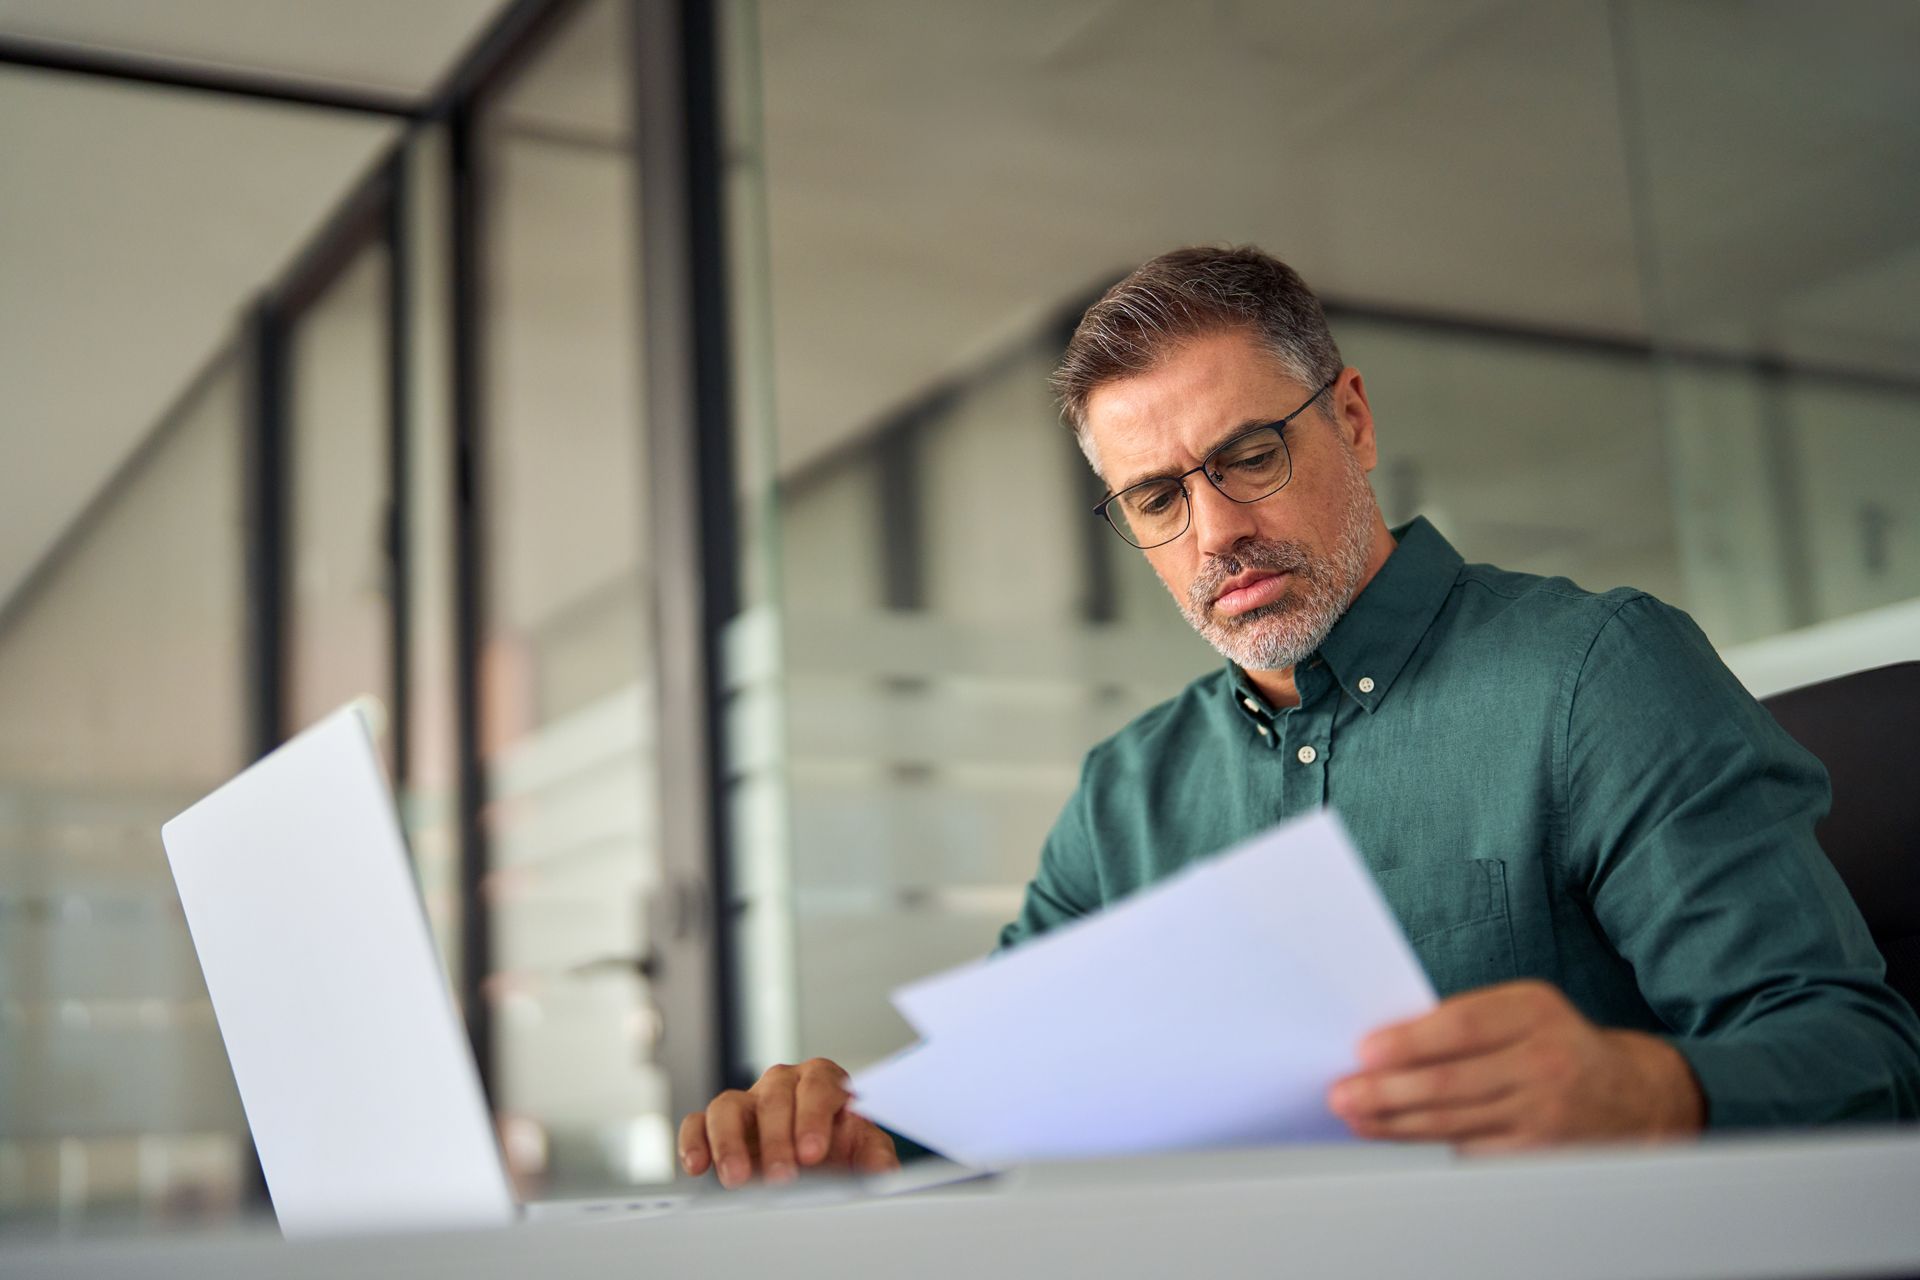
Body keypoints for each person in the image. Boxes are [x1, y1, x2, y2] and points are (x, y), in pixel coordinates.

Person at [679, 245, 1920, 1189]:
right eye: (1158, 496)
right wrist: (855, 1131)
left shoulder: (1597, 674)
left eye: (1250, 455)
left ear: (1355, 419)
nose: (1215, 529)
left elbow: (1857, 1049)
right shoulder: (1126, 795)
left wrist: (1650, 1089)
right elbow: (1010, 1096)